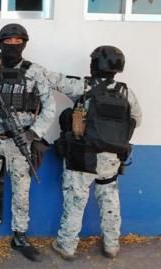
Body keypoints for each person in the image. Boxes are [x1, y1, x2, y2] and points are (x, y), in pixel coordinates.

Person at [0, 23, 56, 262]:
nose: (13, 46)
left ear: (24, 44)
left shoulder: (35, 72)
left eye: (18, 42)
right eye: (9, 42)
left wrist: (33, 133)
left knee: (22, 192)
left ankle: (20, 236)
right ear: (0, 44)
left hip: (21, 142)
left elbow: (50, 107)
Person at [51, 46, 142, 260]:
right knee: (110, 200)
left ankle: (66, 247)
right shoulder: (126, 92)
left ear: (95, 65)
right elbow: (136, 120)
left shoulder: (83, 87)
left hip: (83, 157)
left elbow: (55, 80)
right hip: (111, 158)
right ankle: (111, 246)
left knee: (75, 201)